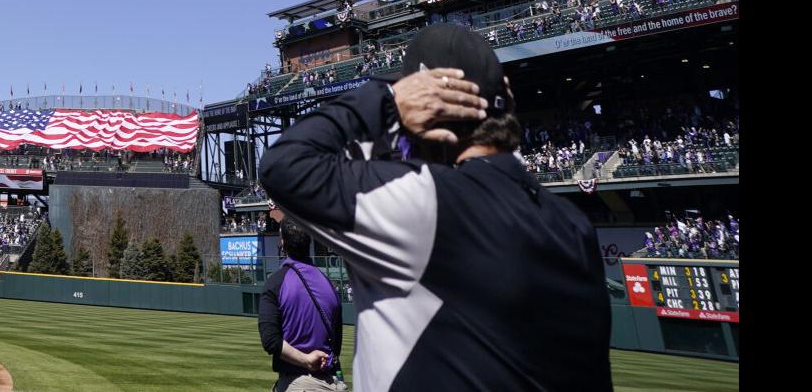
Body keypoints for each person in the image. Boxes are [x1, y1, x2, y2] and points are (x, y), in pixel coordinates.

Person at [259, 24, 612, 392]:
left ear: (427, 107)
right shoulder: (574, 225)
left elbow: (284, 165)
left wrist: (387, 99)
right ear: (507, 95)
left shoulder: (426, 201)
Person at [257, 219, 347, 391]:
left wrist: (306, 360)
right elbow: (337, 345)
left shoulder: (276, 281)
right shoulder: (328, 283)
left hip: (298, 383)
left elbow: (270, 341)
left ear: (282, 242)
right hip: (332, 383)